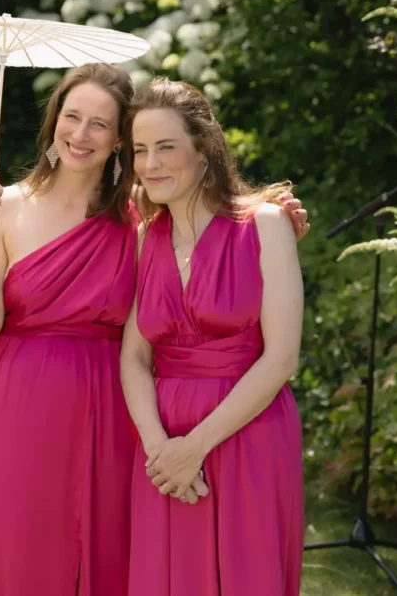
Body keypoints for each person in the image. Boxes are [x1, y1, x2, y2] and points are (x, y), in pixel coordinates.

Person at [0, 63, 309, 596]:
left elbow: (215, 228)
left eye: (99, 124)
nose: (80, 133)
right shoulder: (8, 207)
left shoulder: (137, 217)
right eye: (71, 116)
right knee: (18, 546)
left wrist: (273, 219)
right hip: (26, 399)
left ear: (119, 139)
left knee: (118, 555)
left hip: (111, 408)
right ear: (54, 122)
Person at [122, 78, 305, 595]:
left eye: (165, 147)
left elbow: (282, 358)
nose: (151, 163)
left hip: (248, 431)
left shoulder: (264, 225)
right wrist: (160, 449)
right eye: (140, 150)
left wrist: (194, 448)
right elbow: (134, 355)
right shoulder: (145, 237)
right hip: (162, 446)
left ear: (203, 151)